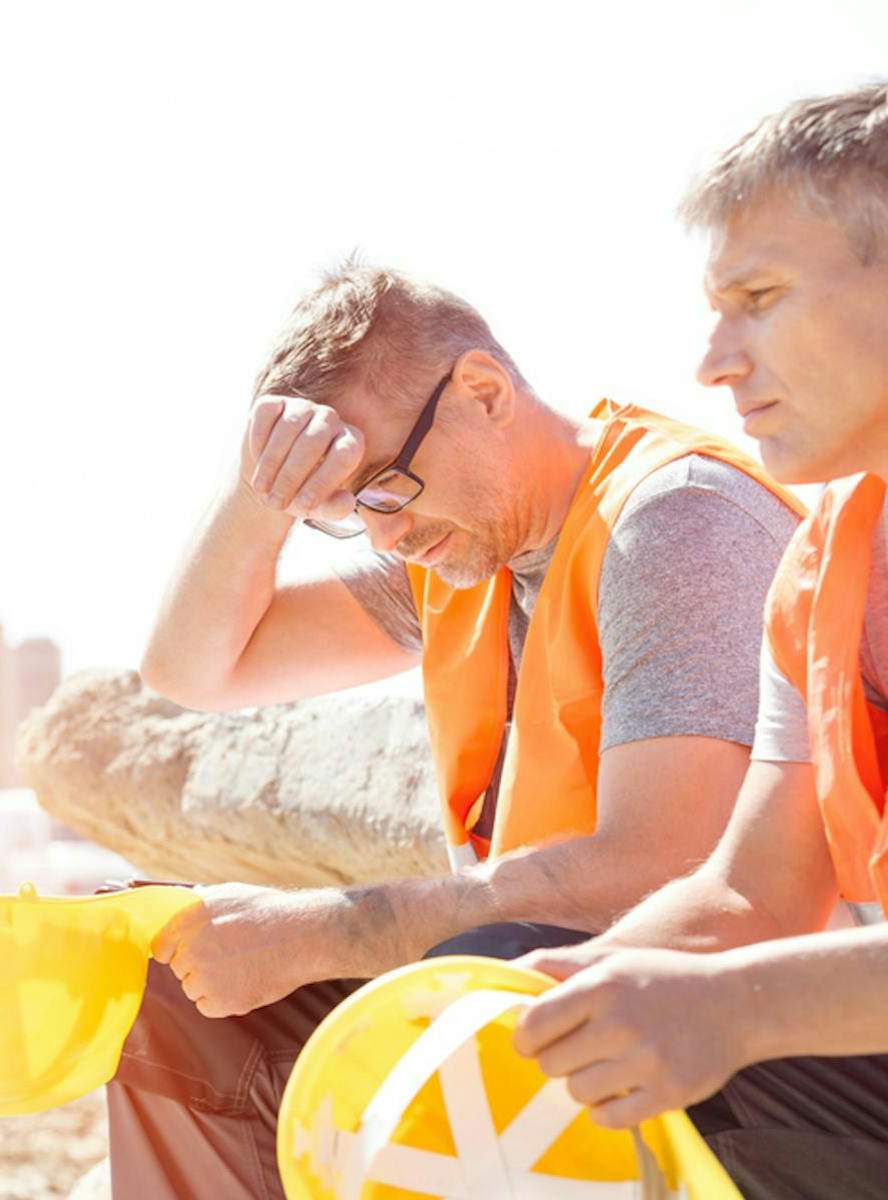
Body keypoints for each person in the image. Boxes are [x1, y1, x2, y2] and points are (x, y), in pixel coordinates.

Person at [115, 260, 804, 1198]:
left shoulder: (678, 519)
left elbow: (666, 869)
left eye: (386, 486)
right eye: (345, 511)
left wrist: (330, 930)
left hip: (749, 1039)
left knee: (477, 971)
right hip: (549, 987)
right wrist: (255, 495)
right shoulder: (457, 556)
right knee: (179, 982)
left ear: (483, 392)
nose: (386, 535)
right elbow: (192, 670)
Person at [512, 82, 888, 1200]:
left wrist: (731, 1011)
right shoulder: (820, 568)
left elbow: (743, 984)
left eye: (757, 299)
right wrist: (558, 992)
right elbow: (751, 896)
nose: (713, 362)